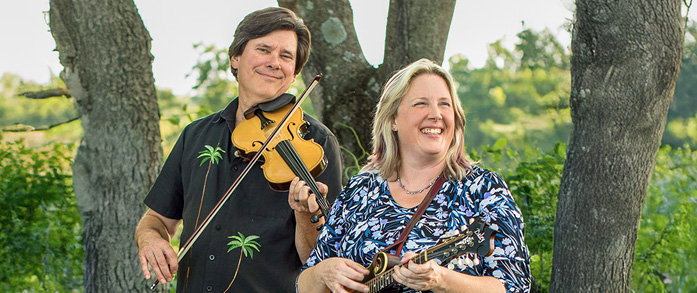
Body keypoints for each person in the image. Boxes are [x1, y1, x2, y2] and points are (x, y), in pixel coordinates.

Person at [135, 7, 343, 292]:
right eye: (263, 49)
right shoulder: (195, 136)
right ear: (236, 57)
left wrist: (305, 214)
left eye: (286, 56)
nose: (273, 62)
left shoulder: (315, 144)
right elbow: (157, 219)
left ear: (294, 74)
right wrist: (152, 240)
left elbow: (322, 261)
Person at [294, 58, 531, 293]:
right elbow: (304, 284)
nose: (436, 114)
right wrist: (323, 273)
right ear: (393, 119)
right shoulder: (360, 190)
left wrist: (443, 280)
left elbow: (514, 287)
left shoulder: (483, 189)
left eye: (444, 104)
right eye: (421, 104)